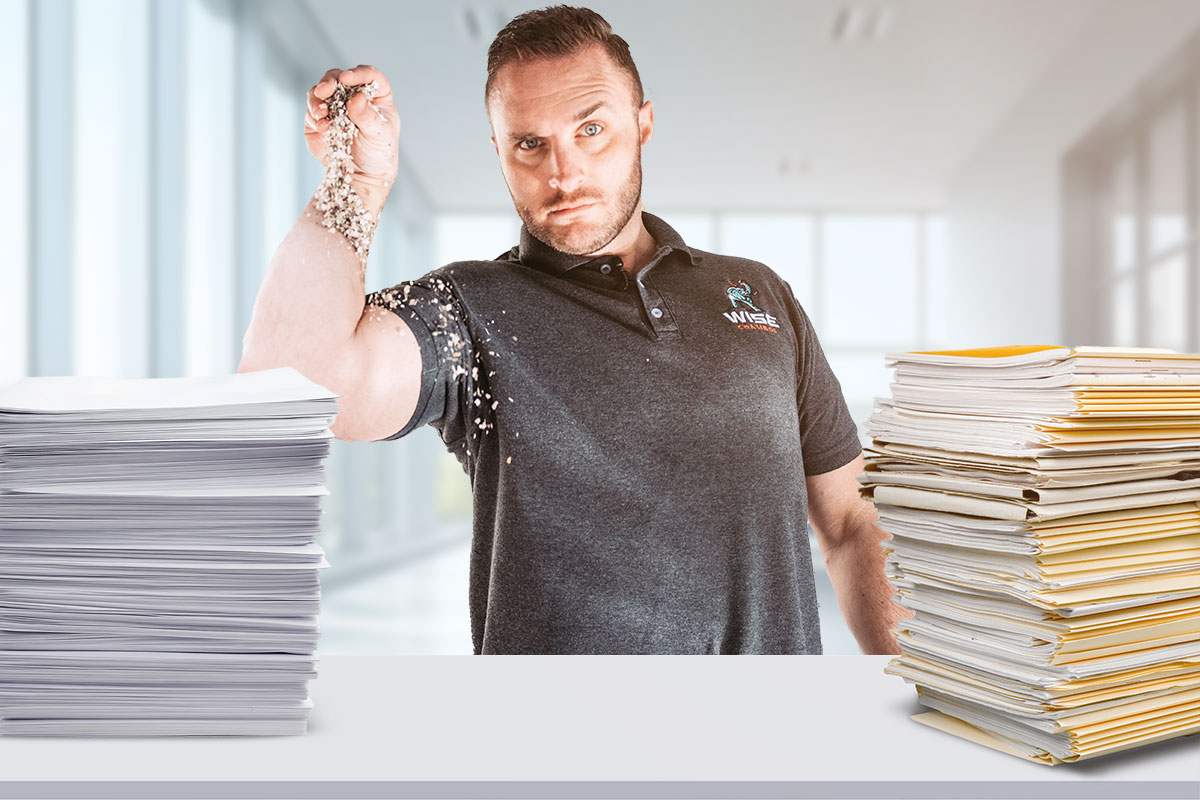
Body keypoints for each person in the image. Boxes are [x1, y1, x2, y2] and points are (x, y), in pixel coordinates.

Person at [240, 4, 911, 655]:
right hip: (564, 755)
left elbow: (852, 523)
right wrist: (351, 185)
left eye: (591, 131)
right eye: (530, 144)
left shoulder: (761, 295)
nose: (563, 173)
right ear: (500, 151)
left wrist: (916, 694)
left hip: (778, 752)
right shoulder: (473, 310)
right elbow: (292, 387)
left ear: (643, 124)